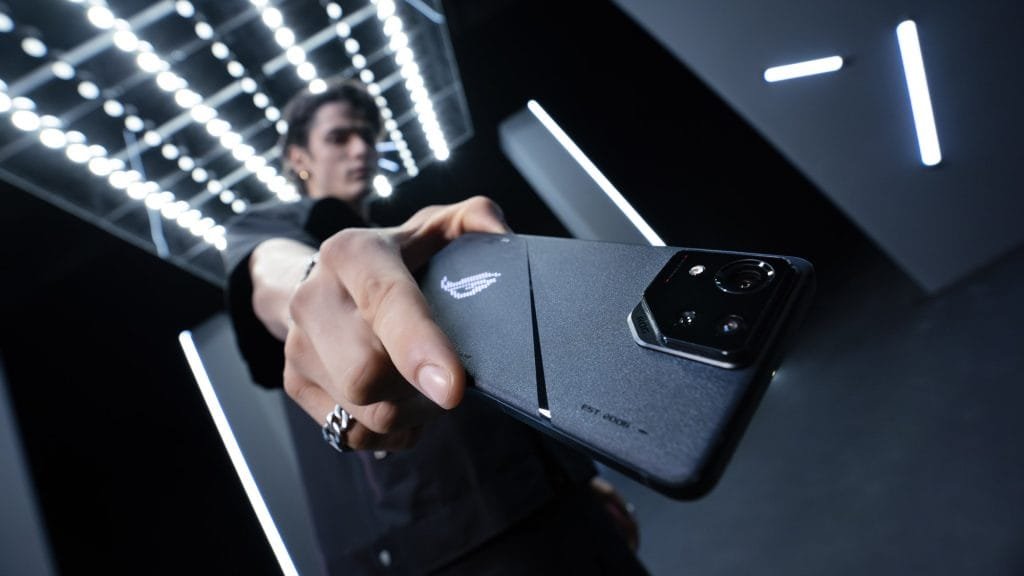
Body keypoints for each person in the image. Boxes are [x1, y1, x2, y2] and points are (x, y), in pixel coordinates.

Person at [223, 78, 646, 574]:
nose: (360, 149)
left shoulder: (408, 233)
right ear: (300, 157)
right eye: (339, 138)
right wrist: (317, 280)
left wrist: (572, 472)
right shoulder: (264, 225)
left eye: (367, 137)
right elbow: (271, 275)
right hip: (448, 537)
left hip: (546, 492)